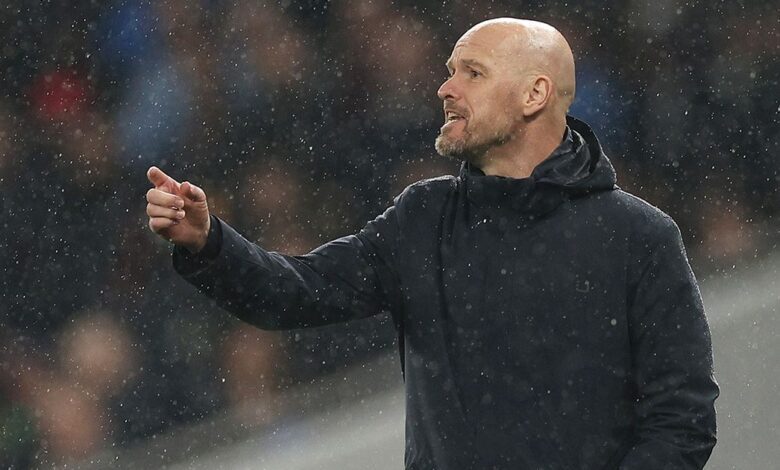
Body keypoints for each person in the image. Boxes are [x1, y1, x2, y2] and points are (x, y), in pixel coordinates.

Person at [145, 18, 718, 469]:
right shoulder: (423, 219)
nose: (445, 88)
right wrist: (209, 241)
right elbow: (296, 292)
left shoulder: (639, 238)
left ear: (534, 93)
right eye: (449, 71)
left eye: (472, 72)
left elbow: (682, 419)